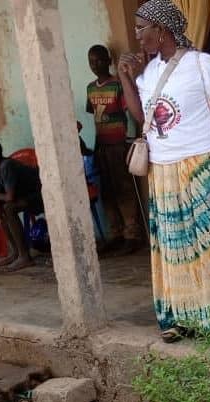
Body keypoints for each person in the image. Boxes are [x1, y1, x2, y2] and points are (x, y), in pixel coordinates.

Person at [117, 0, 210, 342]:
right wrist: (125, 78)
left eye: (141, 28)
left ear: (161, 29)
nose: (137, 35)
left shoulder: (202, 64)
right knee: (173, 246)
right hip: (162, 170)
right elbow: (142, 118)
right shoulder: (149, 72)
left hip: (202, 165)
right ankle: (180, 316)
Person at [86, 44, 143, 256]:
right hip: (102, 145)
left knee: (124, 190)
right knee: (107, 192)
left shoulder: (118, 85)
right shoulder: (90, 88)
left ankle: (131, 234)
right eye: (91, 61)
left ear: (109, 61)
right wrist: (95, 146)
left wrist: (130, 141)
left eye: (100, 60)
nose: (95, 65)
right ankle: (115, 233)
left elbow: (129, 113)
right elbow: (95, 117)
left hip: (119, 144)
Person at [0, 138, 43, 272]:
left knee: (9, 208)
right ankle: (16, 252)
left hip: (40, 194)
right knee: (1, 208)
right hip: (24, 197)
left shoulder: (6, 166)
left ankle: (24, 256)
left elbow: (9, 197)